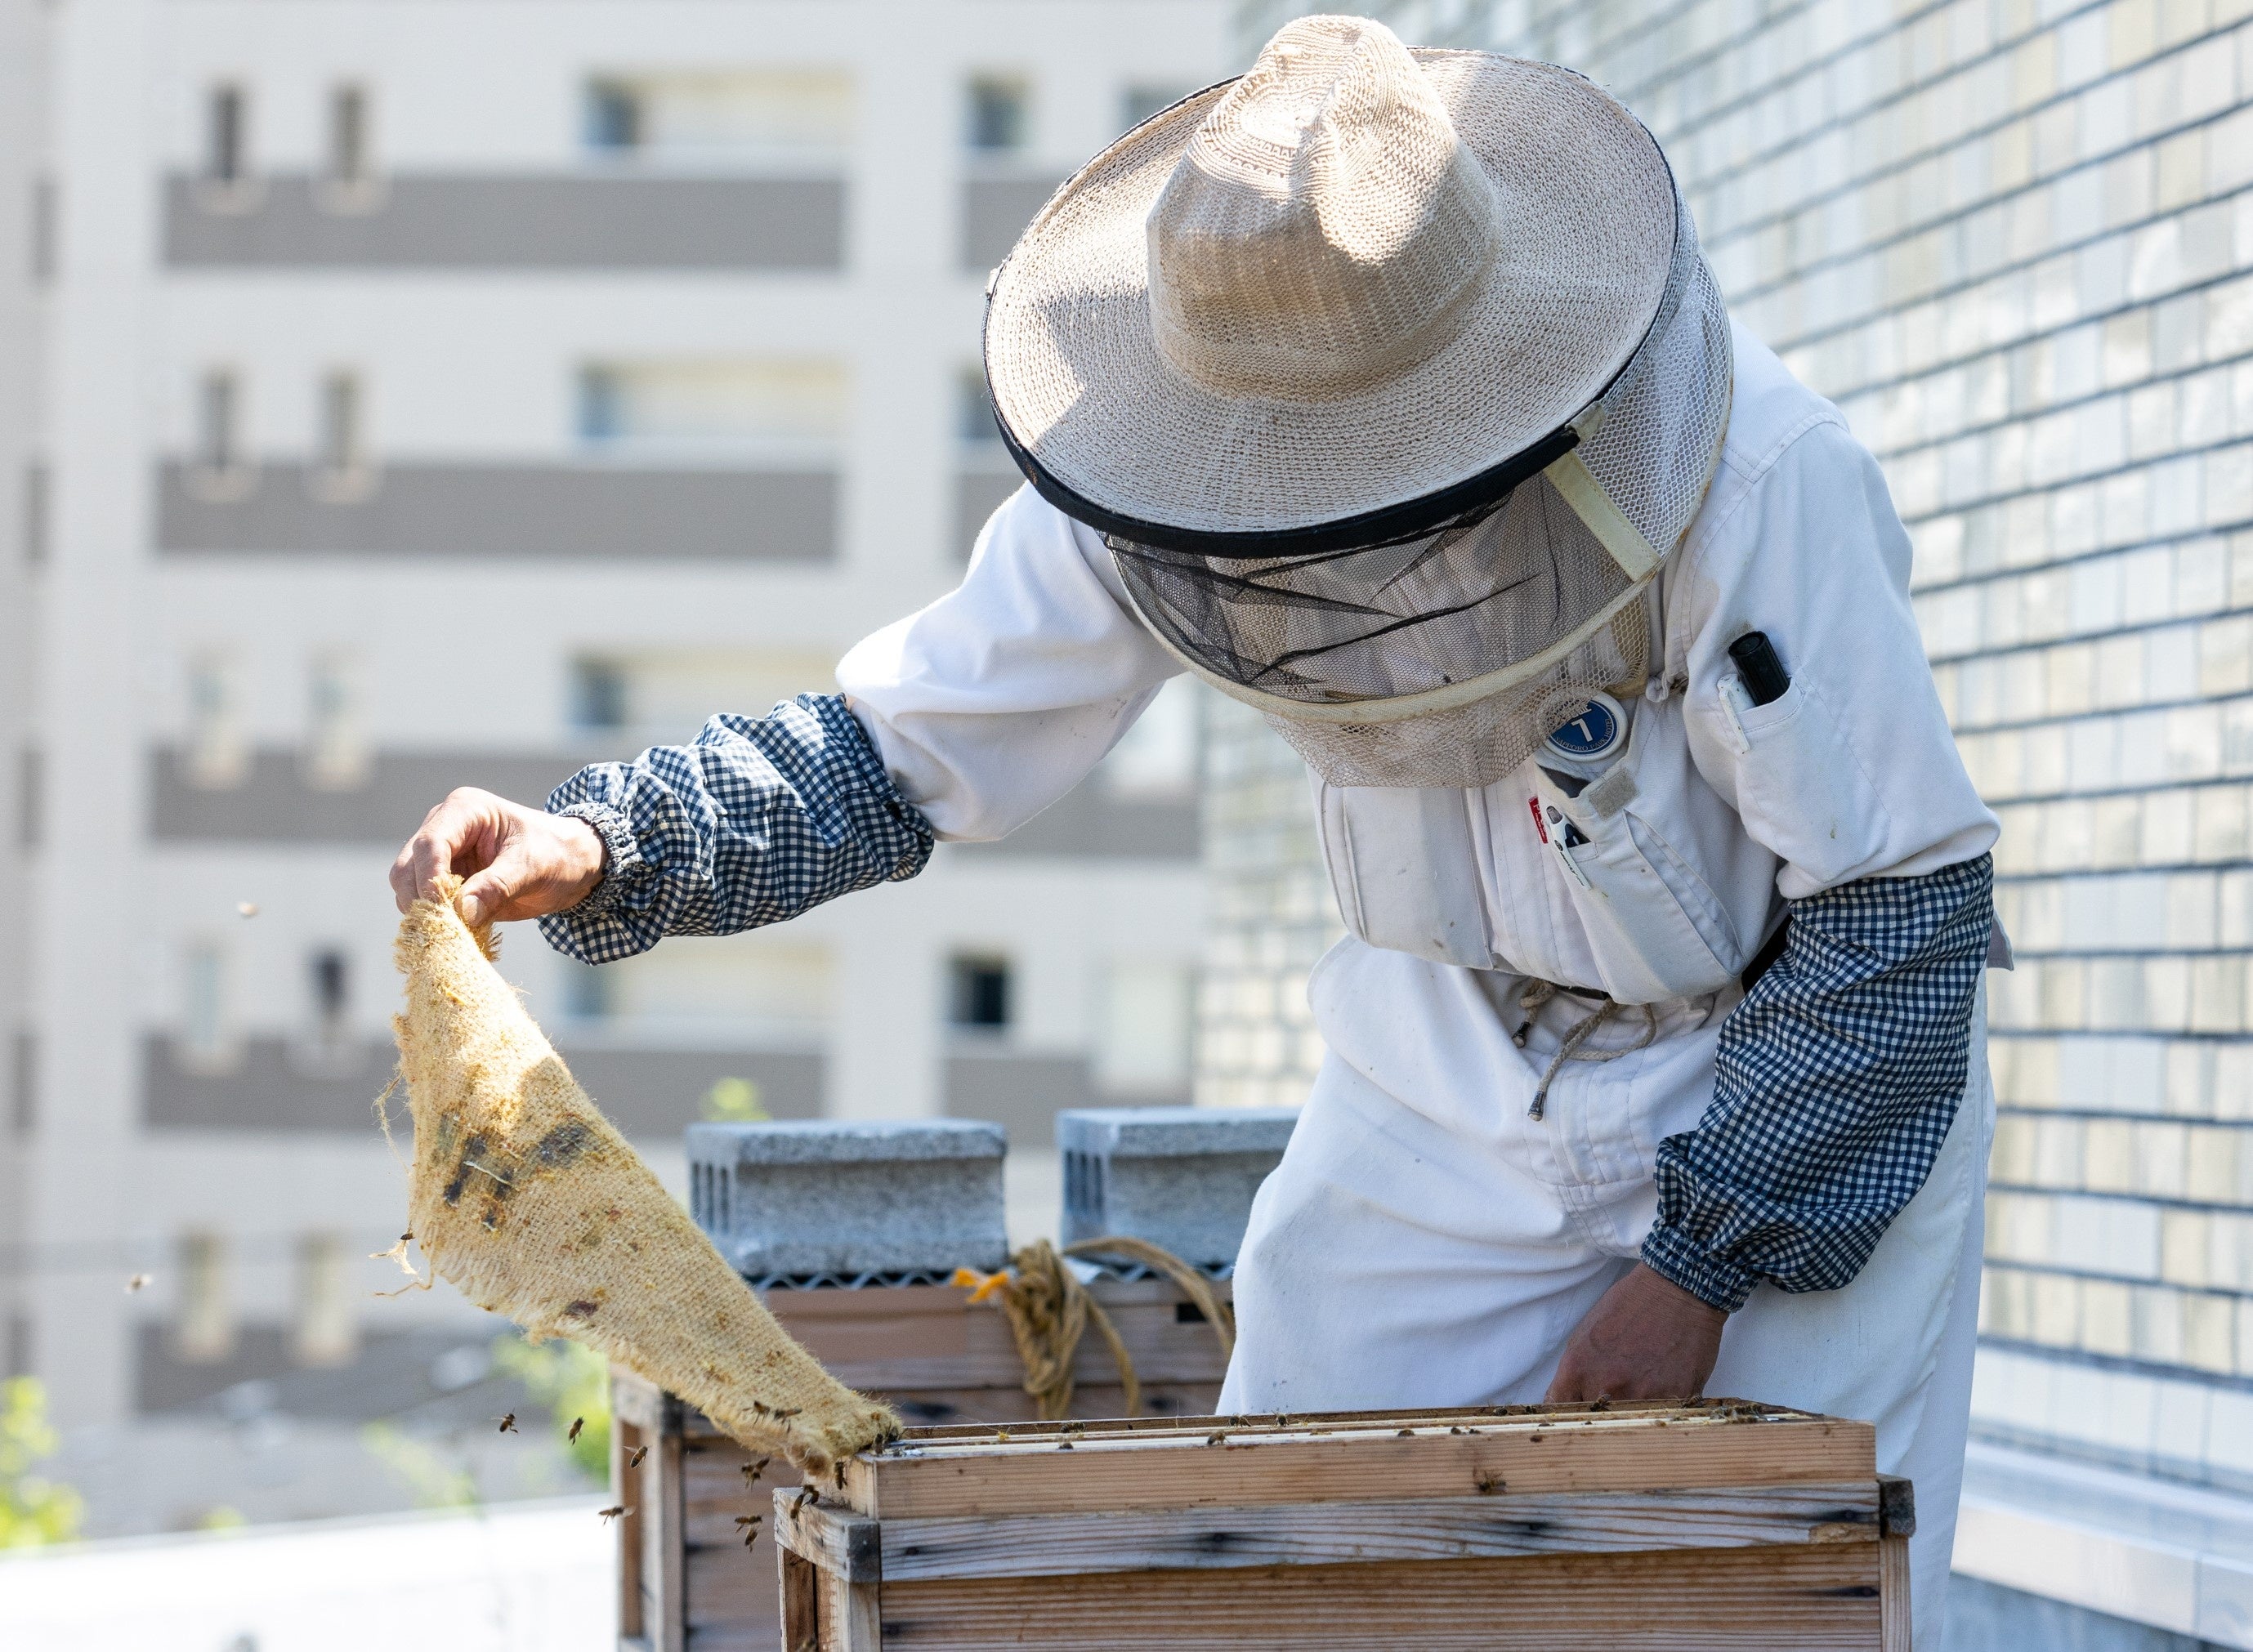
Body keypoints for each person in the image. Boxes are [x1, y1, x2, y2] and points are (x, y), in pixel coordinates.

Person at [392, 19, 1999, 1644]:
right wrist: (613, 842)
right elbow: (904, 741)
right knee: (1286, 1552)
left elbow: (1895, 909)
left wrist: (1702, 1266)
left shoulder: (1760, 473)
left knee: (1778, 1580)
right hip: (1446, 1058)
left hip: (1786, 1068)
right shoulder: (1171, 453)